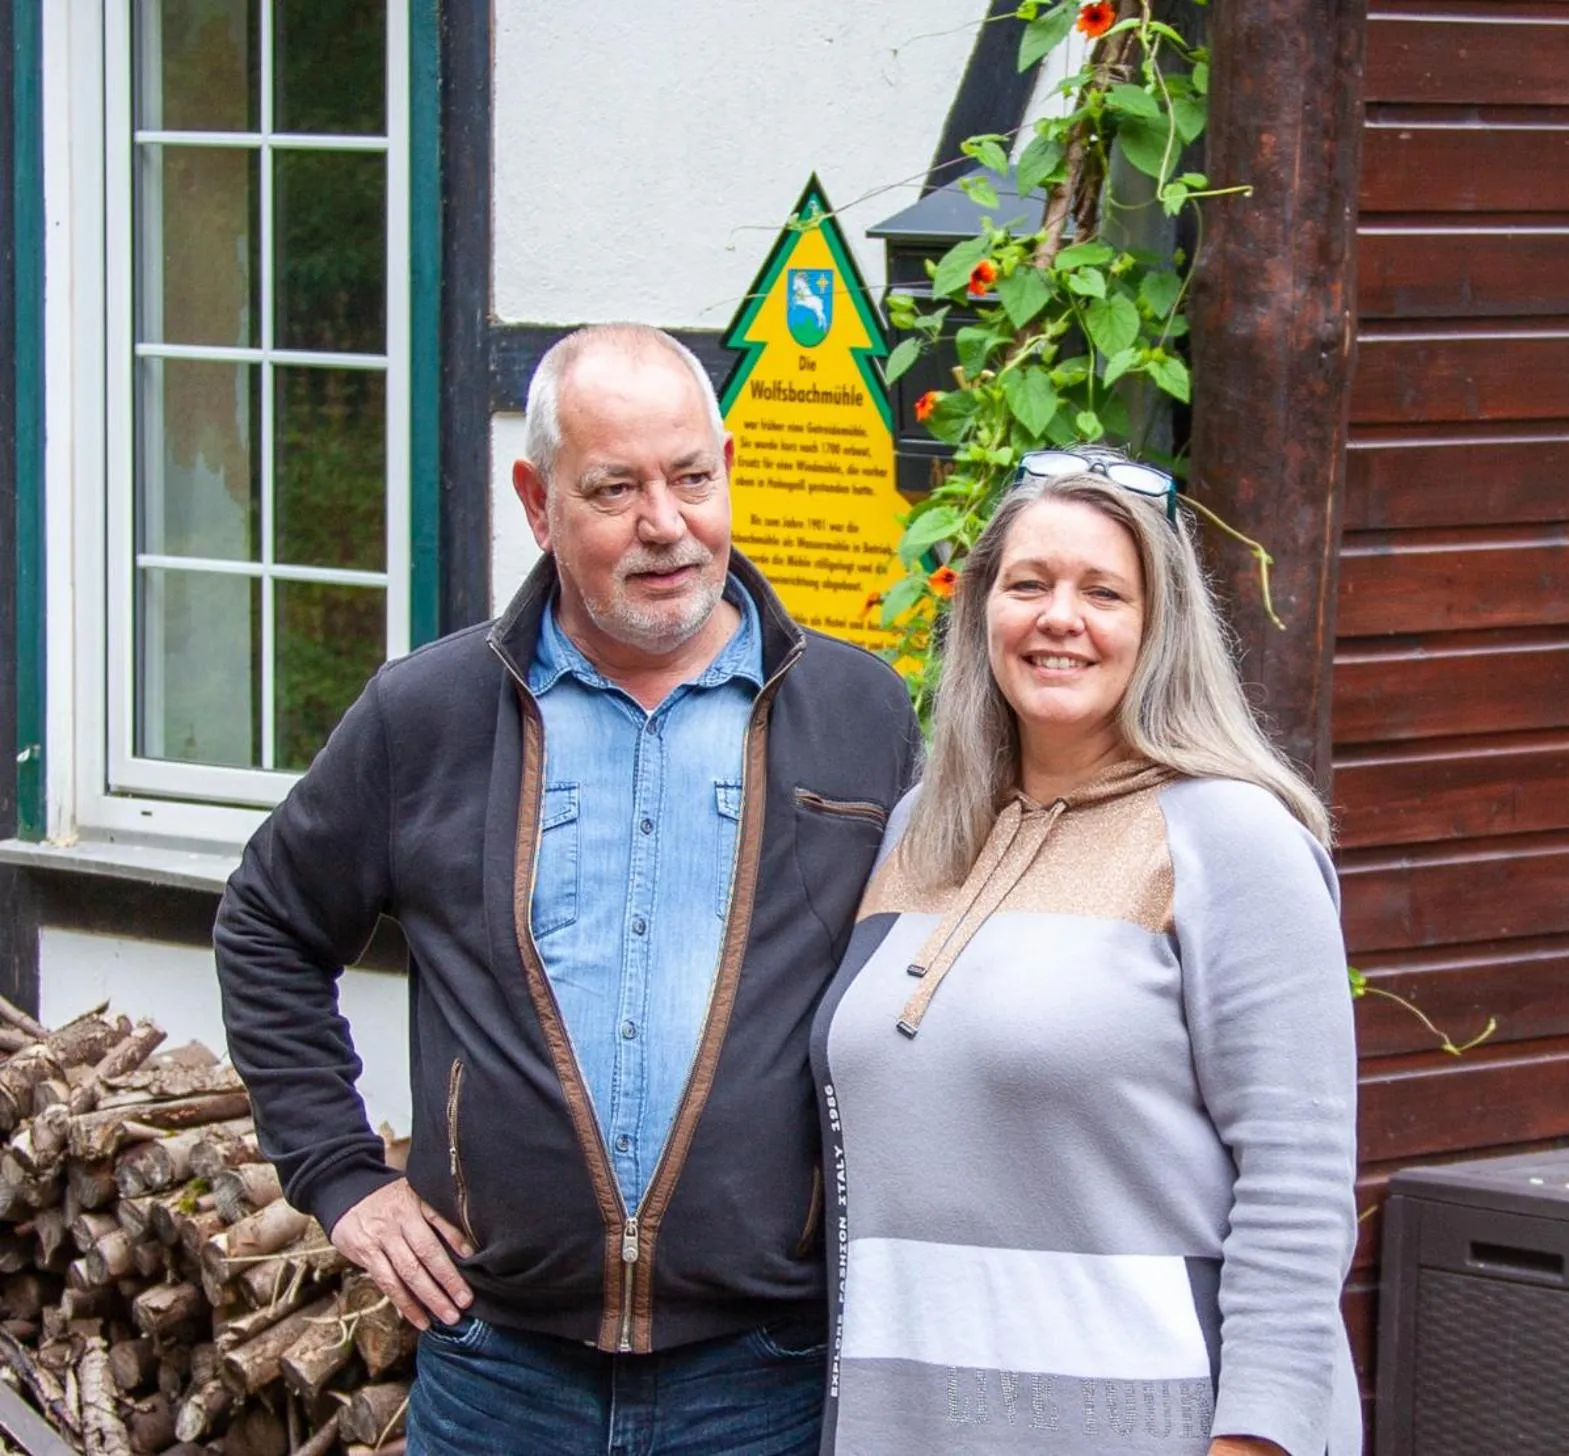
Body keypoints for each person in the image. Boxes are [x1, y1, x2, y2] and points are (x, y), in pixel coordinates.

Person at [213, 324, 919, 1455]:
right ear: (537, 504)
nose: (665, 524)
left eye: (691, 477)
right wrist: (340, 1173)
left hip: (765, 1378)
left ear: (728, 469)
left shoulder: (859, 714)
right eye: (615, 488)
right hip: (501, 1373)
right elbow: (265, 925)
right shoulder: (428, 715)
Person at [810, 450, 1361, 1456]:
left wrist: (1258, 1440)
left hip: (1151, 1427)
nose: (1059, 617)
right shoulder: (918, 831)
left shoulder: (1234, 840)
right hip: (913, 1426)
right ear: (983, 611)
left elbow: (1298, 1182)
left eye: (1103, 591)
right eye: (1029, 584)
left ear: (1159, 628)